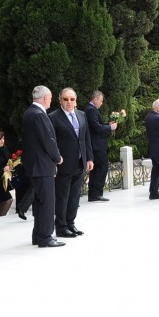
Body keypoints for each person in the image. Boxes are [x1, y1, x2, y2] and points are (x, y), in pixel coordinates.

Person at [22, 85, 64, 248]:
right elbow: (48, 140)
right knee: (47, 202)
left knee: (39, 202)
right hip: (42, 164)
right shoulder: (39, 115)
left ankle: (38, 235)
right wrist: (57, 157)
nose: (51, 101)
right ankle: (45, 236)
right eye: (51, 98)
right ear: (46, 98)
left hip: (34, 165)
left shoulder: (29, 112)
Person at [49, 88, 94, 237]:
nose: (69, 102)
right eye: (65, 99)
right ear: (60, 100)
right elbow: (52, 142)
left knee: (75, 196)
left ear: (76, 101)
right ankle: (61, 227)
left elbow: (86, 138)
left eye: (72, 99)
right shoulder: (53, 117)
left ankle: (71, 223)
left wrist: (89, 158)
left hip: (80, 163)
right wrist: (55, 161)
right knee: (62, 197)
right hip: (63, 164)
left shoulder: (82, 115)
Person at [84, 90, 117, 202]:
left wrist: (108, 125)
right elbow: (96, 127)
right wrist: (110, 128)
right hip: (97, 145)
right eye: (101, 101)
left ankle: (93, 194)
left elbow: (97, 125)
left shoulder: (91, 110)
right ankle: (96, 193)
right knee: (102, 168)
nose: (102, 103)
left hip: (96, 145)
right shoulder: (91, 110)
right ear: (96, 99)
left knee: (97, 169)